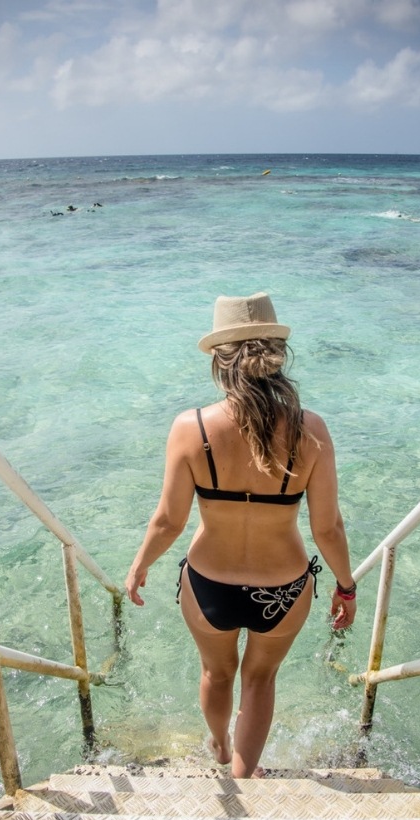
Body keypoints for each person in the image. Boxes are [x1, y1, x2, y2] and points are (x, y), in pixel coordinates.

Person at [124, 292, 357, 779]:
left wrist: (140, 564)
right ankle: (244, 776)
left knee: (217, 674)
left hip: (209, 581)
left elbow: (169, 520)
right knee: (259, 679)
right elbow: (327, 528)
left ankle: (219, 743)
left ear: (218, 359)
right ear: (275, 356)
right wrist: (345, 585)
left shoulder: (191, 428)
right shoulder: (310, 430)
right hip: (286, 587)